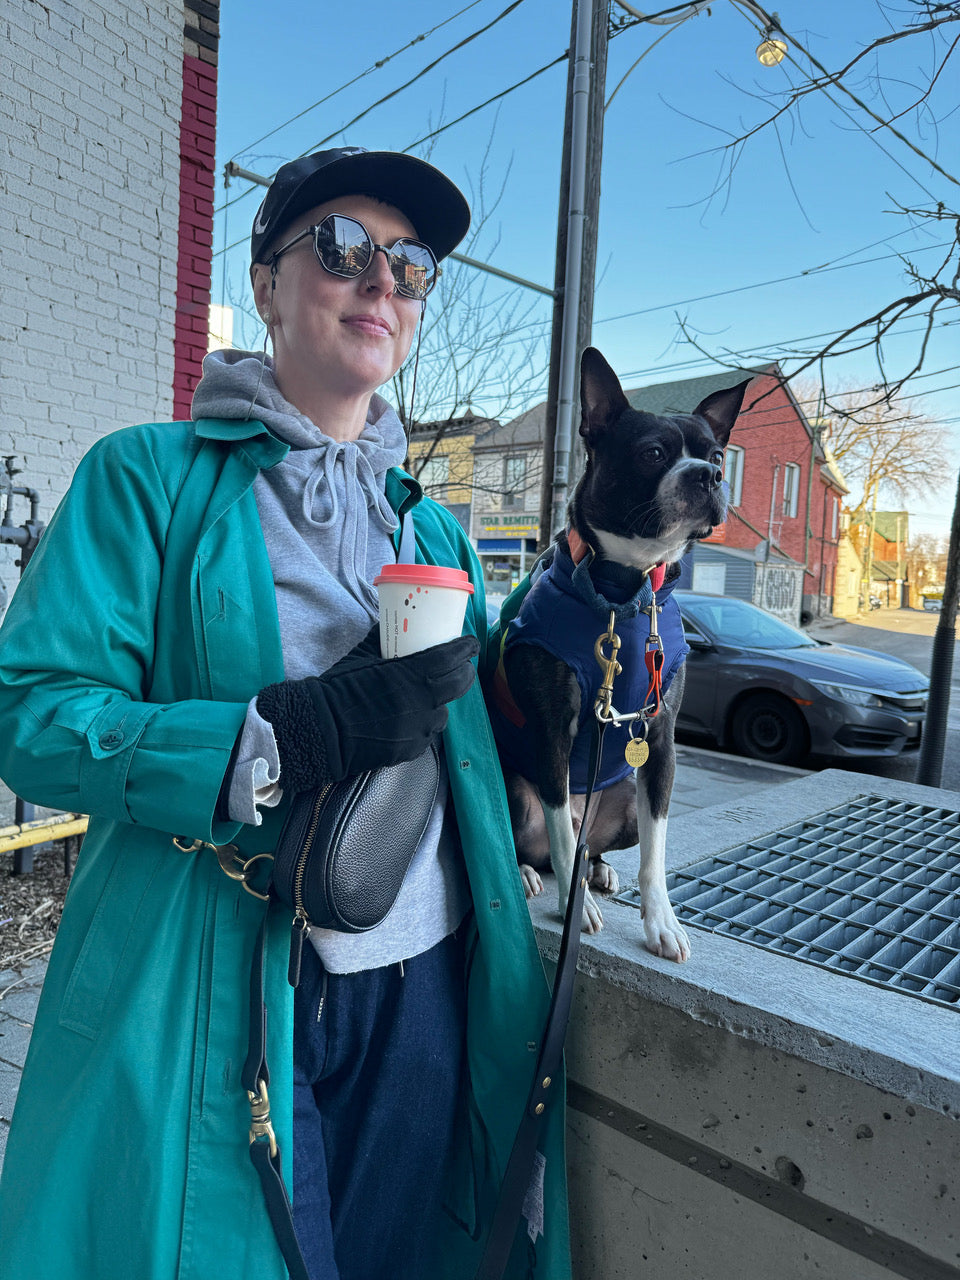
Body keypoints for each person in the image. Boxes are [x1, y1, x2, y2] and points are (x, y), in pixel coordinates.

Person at [0, 148, 571, 1280]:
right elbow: (33, 712)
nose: (382, 283)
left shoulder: (440, 534)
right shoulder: (147, 480)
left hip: (428, 982)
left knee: (400, 1256)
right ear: (265, 284)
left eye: (410, 267)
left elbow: (499, 745)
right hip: (226, 971)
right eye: (343, 248)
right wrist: (285, 736)